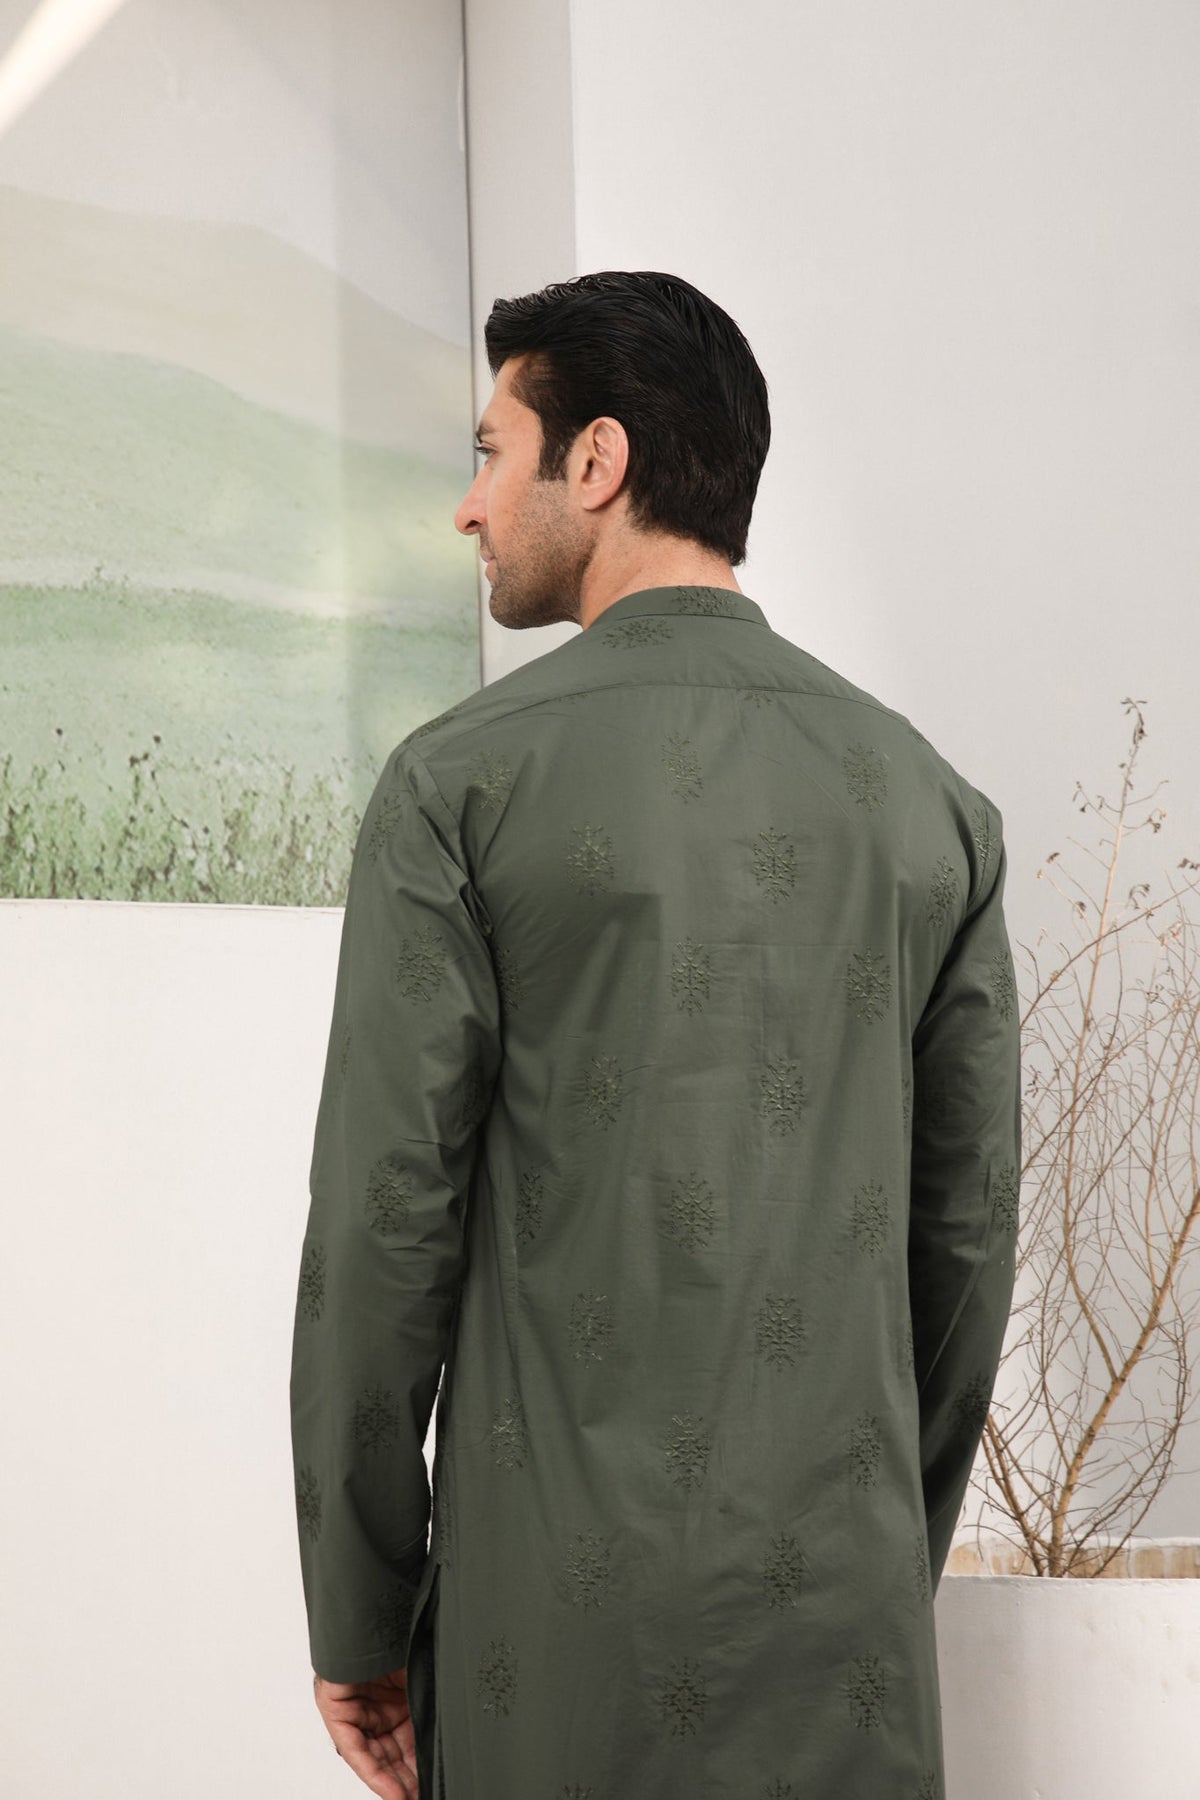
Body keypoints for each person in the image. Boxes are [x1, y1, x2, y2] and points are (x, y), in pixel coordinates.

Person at [289, 270, 1022, 1800]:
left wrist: (363, 1616)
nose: (469, 507)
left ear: (598, 461)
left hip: (553, 1662)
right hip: (847, 1652)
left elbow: (380, 1230)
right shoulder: (933, 808)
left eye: (490, 452)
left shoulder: (460, 786)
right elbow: (966, 1243)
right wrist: (881, 1558)